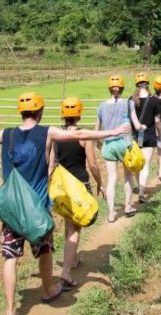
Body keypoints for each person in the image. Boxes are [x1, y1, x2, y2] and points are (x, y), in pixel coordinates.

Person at [0, 92, 130, 313]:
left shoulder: (7, 134)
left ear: (20, 112)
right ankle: (49, 289)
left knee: (10, 257)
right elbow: (78, 134)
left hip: (12, 210)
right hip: (37, 210)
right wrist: (113, 131)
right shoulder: (47, 133)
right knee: (44, 251)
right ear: (40, 112)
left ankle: (11, 309)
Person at [49, 96, 103, 287]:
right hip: (80, 185)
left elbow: (51, 163)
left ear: (63, 115)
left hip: (63, 187)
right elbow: (93, 164)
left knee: (68, 222)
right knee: (75, 227)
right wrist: (100, 183)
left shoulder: (56, 136)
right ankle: (65, 271)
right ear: (79, 114)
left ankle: (71, 259)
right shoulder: (83, 136)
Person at [95, 75, 138, 222]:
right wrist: (142, 128)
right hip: (125, 143)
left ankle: (111, 213)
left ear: (110, 88)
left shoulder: (101, 106)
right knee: (128, 176)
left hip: (109, 144)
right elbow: (136, 124)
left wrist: (98, 141)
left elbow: (97, 128)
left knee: (112, 179)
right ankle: (127, 206)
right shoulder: (128, 103)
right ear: (122, 88)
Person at [130, 72, 157, 203]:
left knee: (136, 164)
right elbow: (157, 120)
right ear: (148, 84)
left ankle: (139, 184)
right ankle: (141, 192)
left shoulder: (131, 100)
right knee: (145, 165)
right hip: (150, 134)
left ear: (136, 84)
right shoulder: (153, 100)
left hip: (135, 136)